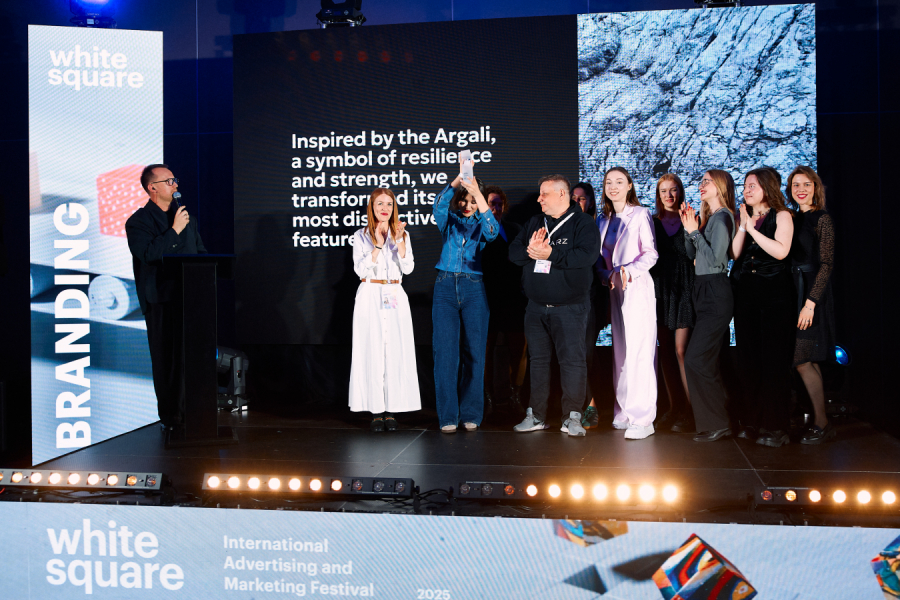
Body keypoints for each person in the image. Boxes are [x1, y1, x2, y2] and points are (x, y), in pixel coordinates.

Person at [510, 174, 600, 437]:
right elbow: (514, 253)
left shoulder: (583, 223)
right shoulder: (534, 222)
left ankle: (572, 417)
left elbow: (587, 256)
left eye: (544, 194)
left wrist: (550, 254)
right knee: (538, 362)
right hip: (536, 307)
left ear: (562, 194)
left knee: (572, 362)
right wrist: (531, 250)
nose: (539, 199)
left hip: (570, 308)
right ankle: (536, 415)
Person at [126, 164, 207, 430]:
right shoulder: (138, 222)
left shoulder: (185, 218)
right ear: (152, 188)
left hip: (190, 298)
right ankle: (171, 417)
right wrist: (174, 230)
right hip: (160, 300)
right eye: (169, 181)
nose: (175, 185)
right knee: (166, 360)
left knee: (191, 358)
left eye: (175, 180)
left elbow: (200, 253)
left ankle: (194, 413)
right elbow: (149, 254)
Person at [730, 168, 795, 447]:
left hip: (775, 295)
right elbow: (735, 254)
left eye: (752, 186)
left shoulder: (782, 216)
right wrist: (743, 226)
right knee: (749, 360)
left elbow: (781, 251)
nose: (747, 190)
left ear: (767, 188)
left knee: (774, 362)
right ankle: (752, 421)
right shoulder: (745, 217)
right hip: (746, 294)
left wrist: (753, 229)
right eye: (745, 186)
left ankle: (776, 426)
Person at [432, 168, 499, 433]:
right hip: (445, 286)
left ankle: (471, 413)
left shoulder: (483, 223)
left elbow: (492, 232)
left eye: (472, 200)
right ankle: (448, 415)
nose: (467, 205)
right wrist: (457, 183)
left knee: (475, 352)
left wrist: (479, 197)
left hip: (474, 288)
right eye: (464, 199)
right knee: (445, 354)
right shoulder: (448, 220)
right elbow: (438, 205)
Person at [348, 188, 420, 431]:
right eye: (380, 203)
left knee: (395, 350)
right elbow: (361, 270)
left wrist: (398, 241)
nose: (384, 208)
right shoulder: (361, 235)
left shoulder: (402, 234)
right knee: (372, 350)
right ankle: (376, 411)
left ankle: (391, 410)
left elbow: (408, 268)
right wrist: (378, 246)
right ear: (372, 206)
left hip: (394, 292)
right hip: (370, 292)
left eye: (389, 204)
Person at [596, 167, 659, 440]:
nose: (613, 187)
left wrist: (628, 271)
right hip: (614, 289)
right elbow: (599, 259)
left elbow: (651, 253)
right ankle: (623, 412)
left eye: (619, 182)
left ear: (629, 186)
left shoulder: (641, 214)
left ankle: (643, 419)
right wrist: (606, 275)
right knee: (620, 353)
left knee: (639, 352)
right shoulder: (602, 219)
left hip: (636, 287)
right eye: (609, 182)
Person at [681, 170, 736, 442]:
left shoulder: (723, 217)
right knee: (706, 361)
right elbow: (692, 254)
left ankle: (717, 422)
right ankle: (718, 422)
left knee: (696, 359)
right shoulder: (709, 218)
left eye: (707, 181)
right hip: (702, 289)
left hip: (715, 290)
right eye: (701, 181)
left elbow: (715, 261)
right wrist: (689, 228)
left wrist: (694, 232)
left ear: (721, 186)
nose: (701, 185)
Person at [787, 166, 837, 444]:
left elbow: (827, 264)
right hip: (792, 291)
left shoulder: (822, 219)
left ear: (816, 187)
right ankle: (816, 418)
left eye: (806, 184)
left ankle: (822, 422)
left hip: (811, 295)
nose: (801, 189)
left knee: (802, 359)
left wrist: (811, 303)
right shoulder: (791, 217)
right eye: (796, 185)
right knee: (803, 359)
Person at [649, 174, 694, 433]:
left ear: (680, 192)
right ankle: (675, 408)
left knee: (681, 350)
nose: (669, 195)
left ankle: (692, 410)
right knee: (665, 351)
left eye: (673, 190)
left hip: (685, 287)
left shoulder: (690, 217)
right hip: (660, 290)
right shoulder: (652, 222)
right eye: (664, 191)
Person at [481, 185, 526, 416]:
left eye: (499, 204)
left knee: (519, 350)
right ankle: (487, 399)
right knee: (483, 352)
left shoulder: (515, 229)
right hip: (485, 299)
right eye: (492, 204)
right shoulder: (476, 230)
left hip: (513, 300)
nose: (496, 208)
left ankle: (514, 397)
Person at [572, 182, 608, 431]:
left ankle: (593, 404)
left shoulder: (599, 226)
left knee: (587, 354)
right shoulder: (563, 226)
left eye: (581, 198)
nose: (576, 202)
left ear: (590, 202)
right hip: (568, 299)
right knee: (576, 355)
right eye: (573, 198)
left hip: (593, 299)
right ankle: (588, 405)